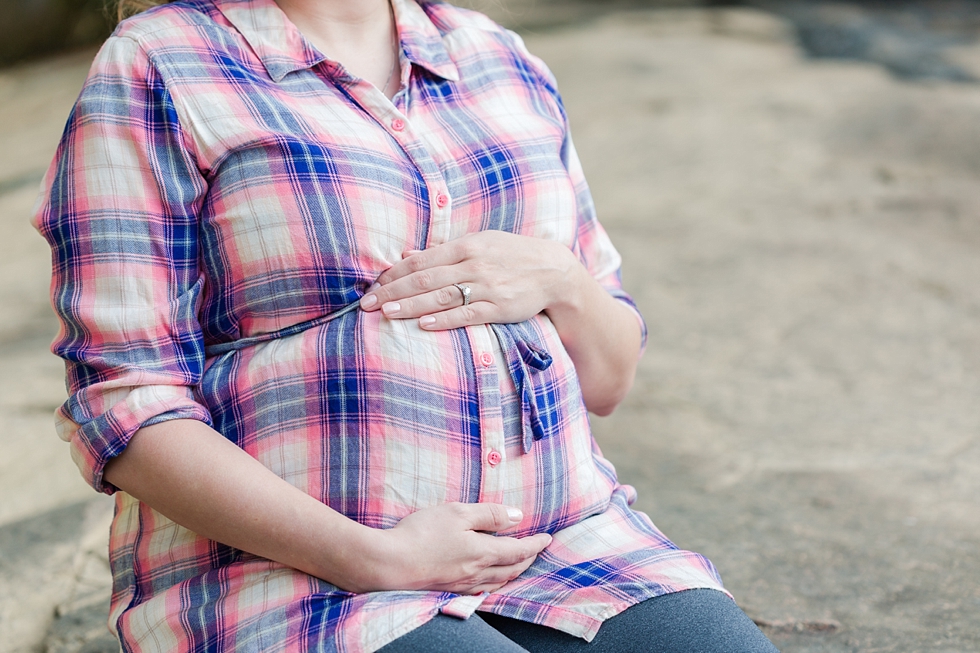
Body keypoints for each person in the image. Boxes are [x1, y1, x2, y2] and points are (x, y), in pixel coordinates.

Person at [33, 0, 780, 650]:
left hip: (567, 545)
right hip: (294, 579)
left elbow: (610, 379)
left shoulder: (501, 62)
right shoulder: (159, 65)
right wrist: (371, 557)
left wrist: (561, 280)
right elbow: (125, 403)